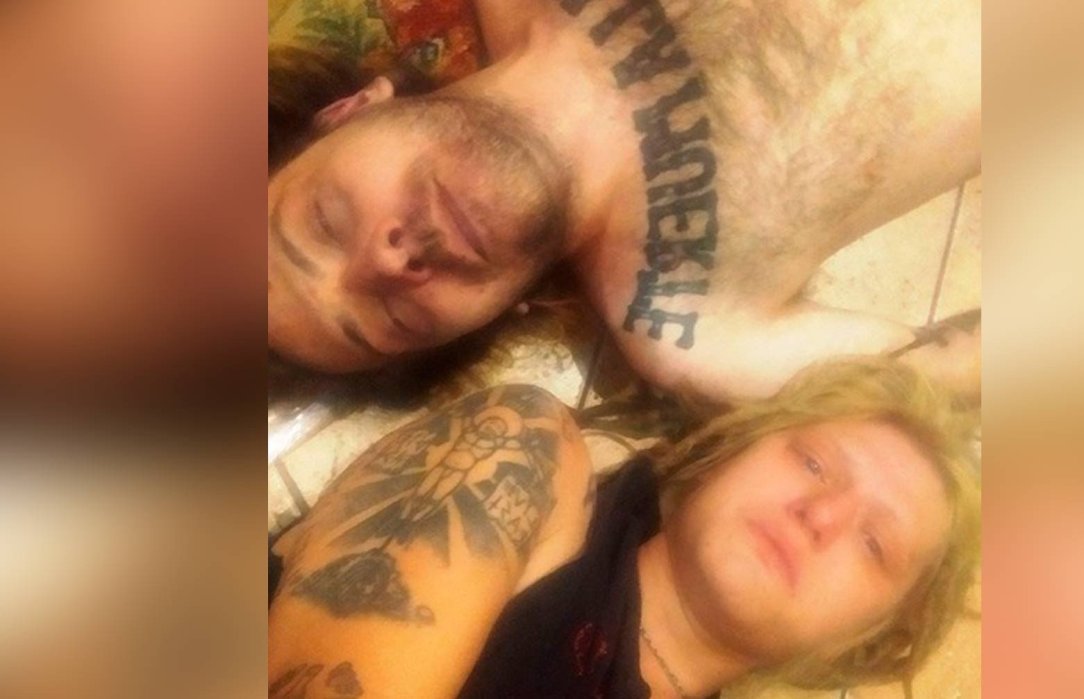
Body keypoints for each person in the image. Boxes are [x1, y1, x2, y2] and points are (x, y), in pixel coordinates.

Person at [267, 0, 982, 405]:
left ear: (349, 109)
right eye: (394, 318)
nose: (386, 262)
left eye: (325, 222)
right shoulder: (692, 327)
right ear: (492, 317)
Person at [268, 358, 981, 697]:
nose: (821, 516)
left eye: (875, 543)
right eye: (814, 462)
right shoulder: (525, 459)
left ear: (870, 639)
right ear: (731, 448)